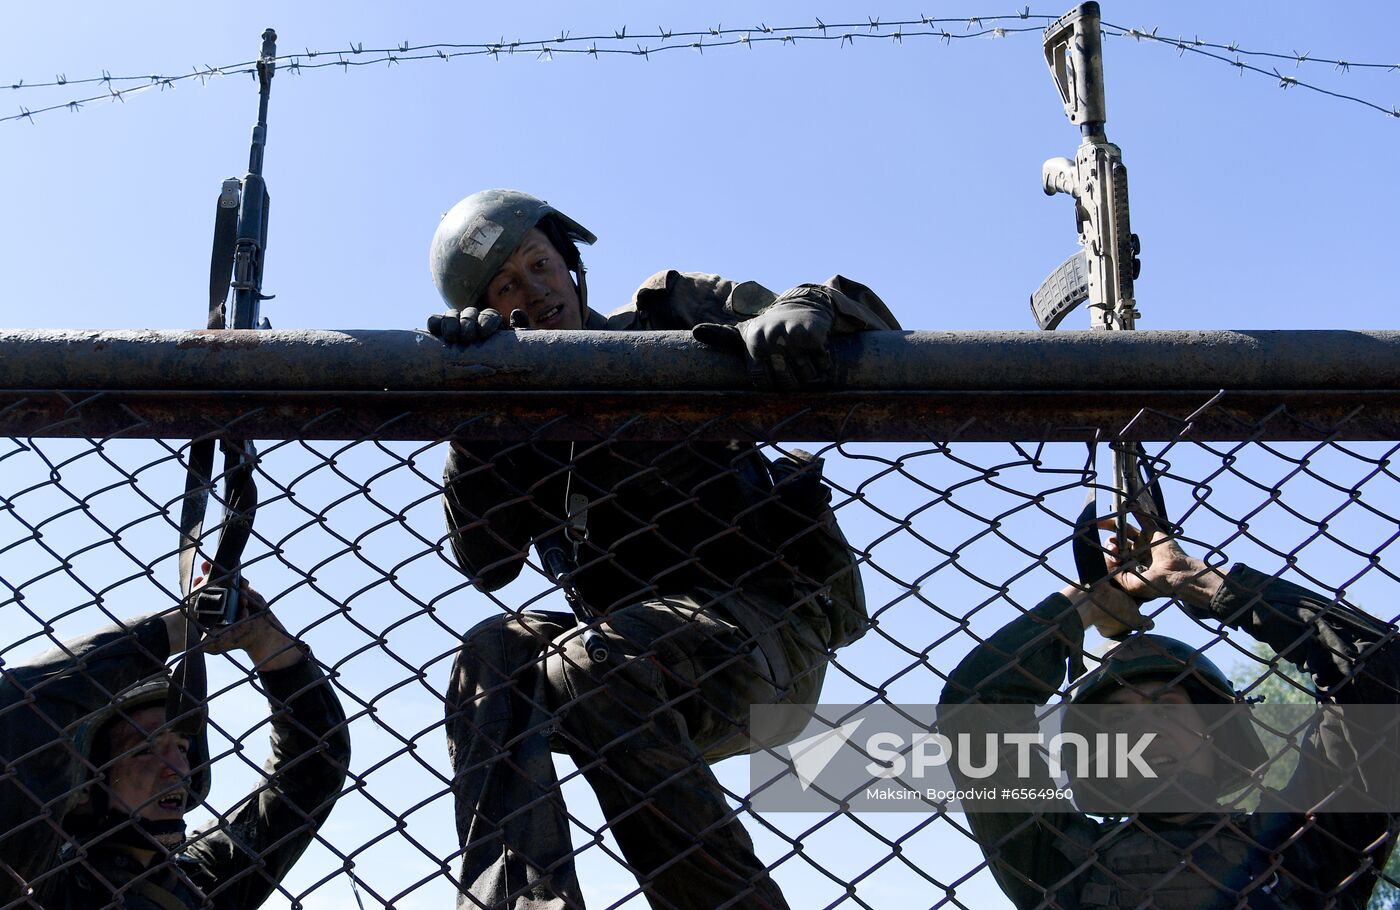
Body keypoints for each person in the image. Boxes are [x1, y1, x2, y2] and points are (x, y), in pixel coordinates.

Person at [426, 188, 900, 909]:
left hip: (763, 630)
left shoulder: (665, 319)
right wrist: (477, 413)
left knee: (590, 660)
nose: (535, 292)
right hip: (623, 656)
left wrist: (812, 311)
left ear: (571, 265)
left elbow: (867, 326)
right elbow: (487, 563)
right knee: (493, 650)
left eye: (540, 265)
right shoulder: (521, 417)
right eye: (507, 287)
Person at [938, 515, 1400, 909]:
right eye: (1118, 722)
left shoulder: (1303, 846)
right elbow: (976, 706)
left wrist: (1194, 580)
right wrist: (1082, 605)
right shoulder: (1060, 862)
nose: (1146, 733)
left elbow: (1379, 675)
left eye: (1166, 707)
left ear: (1214, 733)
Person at [0, 575, 350, 908]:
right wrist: (176, 630)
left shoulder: (203, 880)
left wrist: (267, 642)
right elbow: (20, 708)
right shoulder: (40, 880)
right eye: (144, 750)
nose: (179, 770)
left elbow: (314, 768)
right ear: (86, 783)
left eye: (182, 748)